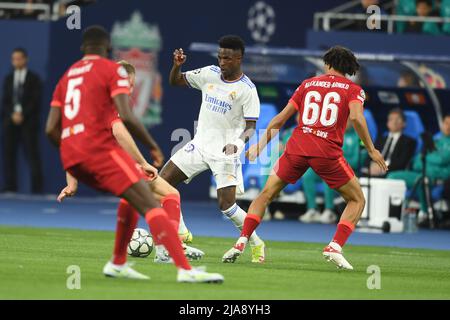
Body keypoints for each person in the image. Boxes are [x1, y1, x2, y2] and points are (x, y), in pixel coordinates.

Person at [46, 25, 223, 283]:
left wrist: (72, 175)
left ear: (83, 48)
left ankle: (117, 263)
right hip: (104, 155)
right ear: (107, 49)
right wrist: (149, 151)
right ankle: (184, 269)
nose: (129, 88)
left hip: (74, 155)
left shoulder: (69, 76)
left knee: (130, 198)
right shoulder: (110, 71)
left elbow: (52, 128)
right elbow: (121, 126)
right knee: (156, 203)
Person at [222, 46, 388, 270]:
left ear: (327, 64)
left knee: (266, 195)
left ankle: (242, 240)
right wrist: (371, 149)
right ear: (349, 69)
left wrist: (260, 146)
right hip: (325, 151)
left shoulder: (307, 84)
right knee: (357, 199)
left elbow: (280, 119)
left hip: (297, 147)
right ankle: (335, 246)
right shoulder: (353, 89)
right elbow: (357, 119)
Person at [57, 60, 203, 264]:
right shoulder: (113, 101)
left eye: (132, 84)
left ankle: (147, 253)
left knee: (139, 199)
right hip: (108, 162)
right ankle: (166, 248)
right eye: (128, 83)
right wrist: (143, 162)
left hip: (92, 165)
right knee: (170, 194)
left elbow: (71, 140)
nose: (130, 88)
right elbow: (119, 131)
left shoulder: (89, 100)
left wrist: (71, 182)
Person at [159, 35, 266, 263]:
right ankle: (180, 232)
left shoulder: (248, 90)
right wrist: (177, 66)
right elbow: (175, 81)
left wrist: (236, 144)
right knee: (163, 182)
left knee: (226, 206)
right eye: (220, 57)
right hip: (198, 145)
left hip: (225, 153)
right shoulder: (209, 73)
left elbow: (251, 127)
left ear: (239, 58)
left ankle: (256, 241)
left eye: (227, 58)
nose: (222, 62)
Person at [388, 114, 450, 222]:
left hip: (438, 177)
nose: (448, 126)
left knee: (421, 180)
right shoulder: (435, 139)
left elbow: (443, 159)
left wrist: (428, 158)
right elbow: (418, 161)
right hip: (421, 173)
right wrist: (431, 158)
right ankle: (390, 211)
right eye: (446, 123)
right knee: (392, 176)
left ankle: (425, 212)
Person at [301, 119, 364, 224]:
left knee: (329, 177)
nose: (344, 123)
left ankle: (329, 211)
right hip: (329, 166)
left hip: (346, 170)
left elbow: (356, 161)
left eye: (347, 121)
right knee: (308, 175)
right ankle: (312, 209)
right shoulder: (332, 133)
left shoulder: (358, 136)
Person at [1, 47, 43, 193]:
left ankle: (37, 189)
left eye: (19, 58)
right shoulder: (8, 78)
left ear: (25, 59)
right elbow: (5, 101)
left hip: (28, 122)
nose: (16, 61)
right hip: (10, 122)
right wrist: (12, 114)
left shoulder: (34, 78)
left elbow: (35, 100)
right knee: (8, 155)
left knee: (32, 154)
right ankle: (10, 187)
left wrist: (22, 114)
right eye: (14, 59)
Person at [363, 108, 416, 177]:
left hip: (391, 173)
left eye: (397, 119)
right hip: (374, 171)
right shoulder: (380, 139)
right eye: (391, 119)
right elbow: (370, 156)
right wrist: (371, 165)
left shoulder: (409, 142)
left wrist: (384, 168)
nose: (394, 122)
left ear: (404, 123)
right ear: (387, 123)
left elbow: (402, 163)